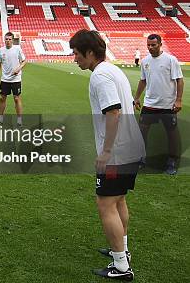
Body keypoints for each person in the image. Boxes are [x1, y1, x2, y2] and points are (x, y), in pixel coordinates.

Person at [70, 29, 145, 281]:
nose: (75, 59)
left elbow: (113, 112)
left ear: (90, 53)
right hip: (132, 147)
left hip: (118, 152)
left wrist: (107, 151)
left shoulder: (100, 76)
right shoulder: (112, 69)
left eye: (77, 54)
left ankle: (121, 266)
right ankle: (121, 252)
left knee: (105, 203)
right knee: (119, 200)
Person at [133, 34, 184, 175]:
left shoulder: (170, 60)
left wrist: (178, 99)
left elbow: (179, 80)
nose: (150, 47)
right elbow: (143, 80)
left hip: (167, 104)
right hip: (150, 103)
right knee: (142, 130)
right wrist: (136, 97)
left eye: (153, 45)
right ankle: (141, 158)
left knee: (171, 133)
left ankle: (172, 161)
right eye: (148, 45)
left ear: (160, 44)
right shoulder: (145, 61)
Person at [0, 32, 27, 126]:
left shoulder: (17, 49)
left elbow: (24, 61)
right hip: (5, 79)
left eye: (9, 39)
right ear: (4, 40)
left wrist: (18, 68)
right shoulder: (1, 50)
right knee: (2, 98)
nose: (8, 41)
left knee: (17, 99)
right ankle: (0, 119)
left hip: (16, 79)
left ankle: (19, 120)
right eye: (6, 39)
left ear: (12, 40)